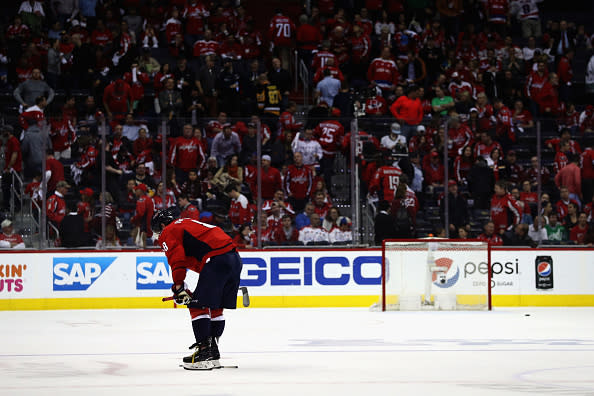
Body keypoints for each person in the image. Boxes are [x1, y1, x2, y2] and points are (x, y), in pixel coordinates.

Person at [151, 207, 243, 370]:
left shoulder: (169, 230)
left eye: (158, 228)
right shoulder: (188, 224)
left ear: (164, 223)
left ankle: (203, 353)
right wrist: (183, 286)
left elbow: (176, 258)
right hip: (234, 259)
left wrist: (178, 285)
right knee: (215, 307)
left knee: (197, 305)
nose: (158, 234)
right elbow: (195, 261)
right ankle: (213, 352)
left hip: (216, 259)